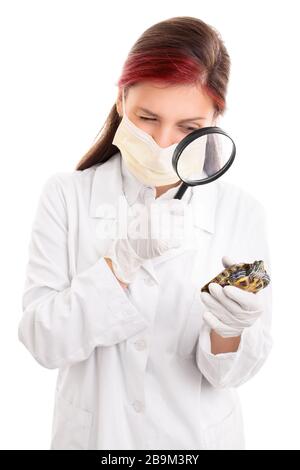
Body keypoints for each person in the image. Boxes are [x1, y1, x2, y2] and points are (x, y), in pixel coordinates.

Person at [18, 16, 272, 450]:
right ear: (121, 100)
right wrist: (121, 264)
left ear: (214, 120)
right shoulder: (66, 195)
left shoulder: (240, 211)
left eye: (188, 128)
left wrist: (229, 331)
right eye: (148, 117)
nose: (161, 141)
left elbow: (231, 376)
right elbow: (43, 342)